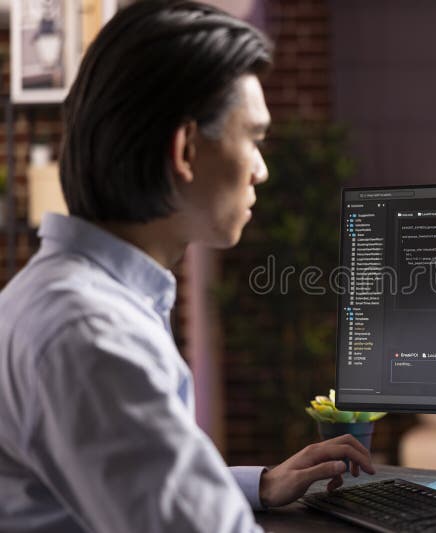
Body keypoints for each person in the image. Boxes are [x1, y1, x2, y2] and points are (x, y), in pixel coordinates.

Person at [0, 1, 373, 532]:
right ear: (187, 148)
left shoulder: (67, 299)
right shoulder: (91, 336)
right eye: (254, 139)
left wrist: (257, 485)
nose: (261, 171)